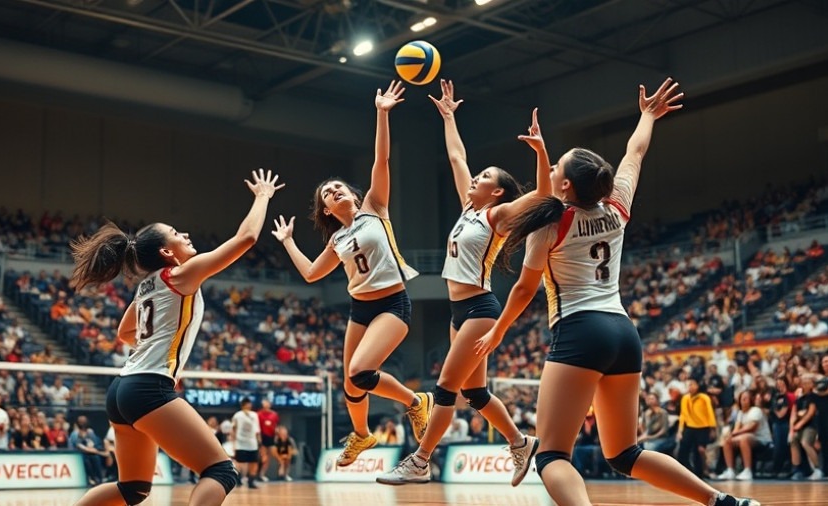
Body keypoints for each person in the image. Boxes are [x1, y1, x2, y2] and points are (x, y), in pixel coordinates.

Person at [475, 78, 758, 506]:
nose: (550, 173)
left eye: (556, 169)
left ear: (567, 186)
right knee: (625, 453)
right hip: (624, 333)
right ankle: (723, 502)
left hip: (580, 331)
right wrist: (647, 115)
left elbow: (522, 289)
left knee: (551, 453)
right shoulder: (616, 206)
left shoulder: (550, 223)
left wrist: (497, 332)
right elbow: (635, 152)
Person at [72, 168, 284, 506]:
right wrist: (262, 197)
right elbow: (246, 239)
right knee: (221, 472)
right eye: (175, 233)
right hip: (147, 388)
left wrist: (152, 349)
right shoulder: (181, 274)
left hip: (121, 388)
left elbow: (124, 332)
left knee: (133, 489)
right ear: (167, 253)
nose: (183, 233)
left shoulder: (146, 286)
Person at [379, 79, 546, 486]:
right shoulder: (468, 209)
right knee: (475, 394)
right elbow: (456, 157)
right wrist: (450, 117)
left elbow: (543, 193)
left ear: (499, 192)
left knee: (445, 387)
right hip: (460, 311)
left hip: (480, 309)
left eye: (484, 176)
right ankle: (521, 443)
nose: (475, 178)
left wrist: (541, 152)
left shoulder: (497, 216)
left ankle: (420, 460)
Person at [271, 81, 431, 466]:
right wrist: (288, 241)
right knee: (349, 383)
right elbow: (311, 274)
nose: (334, 191)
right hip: (360, 308)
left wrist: (381, 112)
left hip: (393, 303)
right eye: (327, 193)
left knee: (361, 371)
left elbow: (382, 161)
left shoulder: (375, 207)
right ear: (326, 209)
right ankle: (361, 436)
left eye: (339, 187)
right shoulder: (337, 241)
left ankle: (415, 401)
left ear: (353, 195)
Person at [715, 390, 772, 481]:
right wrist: (731, 436)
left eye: (746, 398)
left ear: (750, 400)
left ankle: (747, 471)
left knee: (744, 439)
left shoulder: (756, 410)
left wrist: (734, 434)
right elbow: (737, 428)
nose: (743, 401)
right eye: (742, 399)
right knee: (727, 441)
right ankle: (730, 470)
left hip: (761, 439)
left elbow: (751, 428)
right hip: (746, 437)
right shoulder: (740, 413)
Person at [676, 378, 717, 478]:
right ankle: (684, 473)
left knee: (699, 450)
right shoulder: (685, 398)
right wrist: (680, 430)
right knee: (683, 450)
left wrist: (712, 428)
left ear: (698, 386)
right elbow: (683, 415)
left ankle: (701, 473)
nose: (690, 386)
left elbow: (710, 412)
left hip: (703, 427)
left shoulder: (704, 397)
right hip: (689, 427)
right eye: (688, 385)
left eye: (692, 384)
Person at [789, 375, 820, 480]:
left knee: (805, 443)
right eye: (804, 382)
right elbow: (794, 413)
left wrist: (800, 424)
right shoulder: (800, 399)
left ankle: (818, 469)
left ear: (812, 384)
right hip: (799, 427)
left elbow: (811, 412)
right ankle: (797, 470)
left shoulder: (814, 396)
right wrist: (792, 426)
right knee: (793, 440)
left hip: (811, 426)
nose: (806, 384)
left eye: (808, 382)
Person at [231, 398, 261, 489]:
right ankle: (238, 479)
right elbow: (234, 428)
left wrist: (259, 440)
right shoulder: (237, 415)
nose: (249, 405)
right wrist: (234, 441)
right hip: (241, 442)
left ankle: (251, 481)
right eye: (247, 404)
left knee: (254, 462)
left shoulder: (254, 415)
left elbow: (257, 429)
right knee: (240, 463)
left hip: (252, 442)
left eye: (250, 404)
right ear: (243, 405)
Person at [257, 399, 279, 482]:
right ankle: (258, 475)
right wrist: (259, 438)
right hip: (262, 437)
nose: (266, 405)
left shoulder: (274, 414)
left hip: (271, 438)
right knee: (264, 458)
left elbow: (276, 426)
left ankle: (263, 474)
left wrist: (276, 436)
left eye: (267, 403)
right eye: (264, 403)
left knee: (273, 456)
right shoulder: (258, 414)